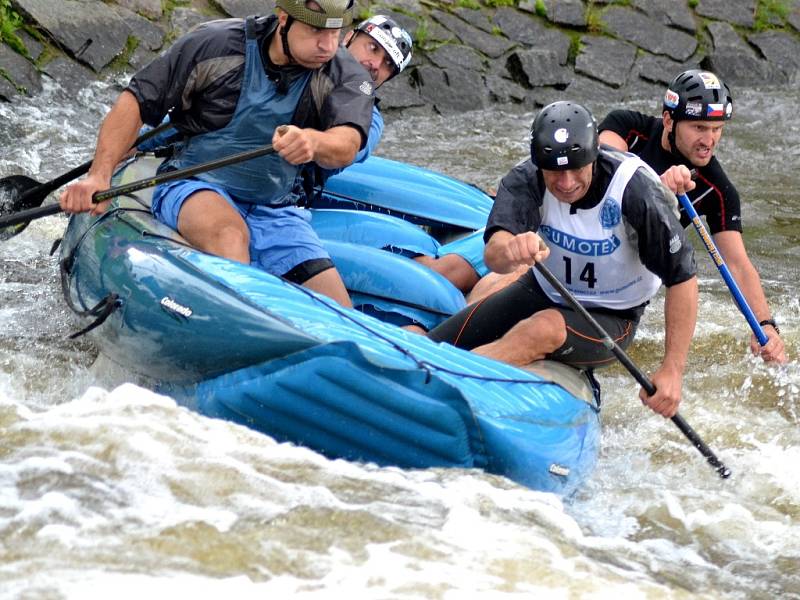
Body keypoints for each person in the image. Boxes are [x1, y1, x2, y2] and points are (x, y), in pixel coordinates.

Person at [59, 0, 375, 308]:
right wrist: (99, 176)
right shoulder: (215, 44)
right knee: (229, 236)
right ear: (283, 20)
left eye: (335, 34)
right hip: (194, 183)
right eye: (315, 32)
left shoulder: (345, 73)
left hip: (276, 208)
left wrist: (314, 142)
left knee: (339, 308)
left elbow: (347, 143)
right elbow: (137, 101)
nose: (327, 45)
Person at [429, 101, 699, 418]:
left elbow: (682, 278)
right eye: (555, 172)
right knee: (438, 342)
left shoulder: (635, 190)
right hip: (544, 289)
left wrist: (672, 370)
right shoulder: (524, 179)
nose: (567, 183)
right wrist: (511, 250)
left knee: (545, 328)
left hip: (613, 314)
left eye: (576, 169)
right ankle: (421, 368)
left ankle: (439, 388)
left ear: (593, 157)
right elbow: (494, 252)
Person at [598, 69, 787, 363]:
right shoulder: (626, 128)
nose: (709, 140)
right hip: (589, 238)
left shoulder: (718, 190)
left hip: (625, 279)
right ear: (669, 121)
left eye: (717, 129)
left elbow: (737, 265)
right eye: (699, 127)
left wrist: (766, 325)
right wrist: (653, 183)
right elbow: (598, 174)